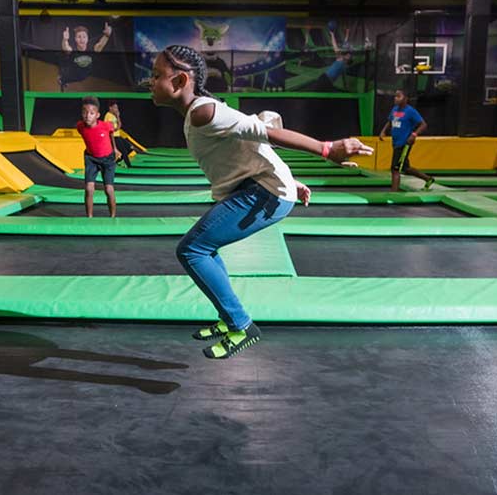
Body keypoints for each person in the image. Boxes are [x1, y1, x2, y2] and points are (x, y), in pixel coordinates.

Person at [149, 45, 372, 359]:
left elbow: (265, 133)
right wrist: (289, 179)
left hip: (263, 194)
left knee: (192, 249)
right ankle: (228, 319)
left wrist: (327, 149)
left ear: (179, 81)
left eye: (157, 75)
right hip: (261, 187)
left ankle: (240, 325)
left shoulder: (205, 111)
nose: (150, 81)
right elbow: (248, 148)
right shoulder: (201, 112)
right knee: (205, 247)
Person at [378, 90, 434, 192]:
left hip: (404, 143)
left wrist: (414, 134)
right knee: (405, 168)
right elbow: (390, 121)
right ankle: (428, 179)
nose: (395, 98)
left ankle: (394, 192)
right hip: (395, 142)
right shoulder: (394, 109)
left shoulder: (410, 111)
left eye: (398, 96)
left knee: (395, 169)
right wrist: (383, 131)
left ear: (405, 99)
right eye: (395, 96)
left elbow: (423, 124)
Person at [76, 96, 119, 218]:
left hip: (108, 160)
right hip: (91, 159)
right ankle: (89, 217)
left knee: (109, 190)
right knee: (89, 189)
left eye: (91, 113)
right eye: (85, 112)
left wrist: (114, 148)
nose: (87, 116)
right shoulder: (80, 126)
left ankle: (113, 217)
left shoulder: (105, 126)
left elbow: (111, 133)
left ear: (97, 115)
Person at [59, 23, 112, 90]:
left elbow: (100, 45)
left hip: (85, 75)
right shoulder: (73, 49)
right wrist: (65, 40)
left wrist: (107, 36)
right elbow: (66, 48)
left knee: (79, 78)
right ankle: (62, 81)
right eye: (79, 37)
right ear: (75, 39)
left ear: (87, 38)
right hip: (71, 73)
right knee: (62, 79)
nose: (82, 39)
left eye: (84, 37)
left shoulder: (92, 48)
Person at [102, 101, 133, 168]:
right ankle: (129, 166)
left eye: (117, 108)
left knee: (130, 148)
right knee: (124, 151)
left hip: (118, 136)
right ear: (110, 108)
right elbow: (111, 130)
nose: (116, 109)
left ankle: (117, 161)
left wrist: (118, 116)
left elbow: (119, 126)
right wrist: (114, 146)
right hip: (113, 137)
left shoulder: (114, 115)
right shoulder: (108, 116)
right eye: (115, 107)